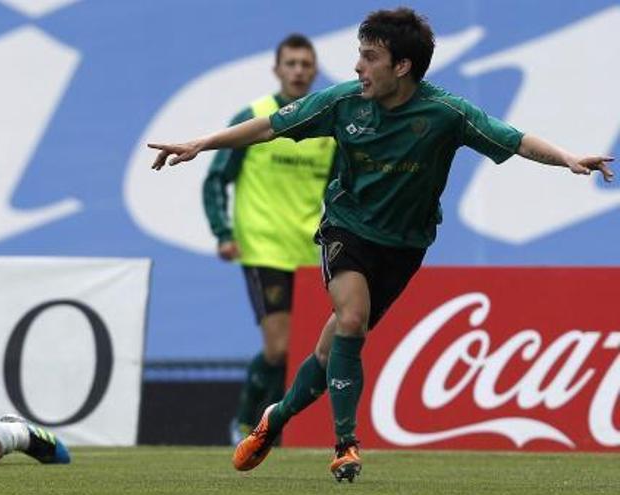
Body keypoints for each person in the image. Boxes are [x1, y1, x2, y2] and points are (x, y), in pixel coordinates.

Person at [149, 7, 614, 482]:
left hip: (405, 246)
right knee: (351, 320)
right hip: (346, 230)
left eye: (369, 57)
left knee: (332, 350)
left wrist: (567, 159)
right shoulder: (344, 102)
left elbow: (512, 139)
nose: (357, 67)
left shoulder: (445, 113)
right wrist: (200, 143)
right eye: (359, 55)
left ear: (402, 66)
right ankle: (345, 444)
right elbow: (270, 125)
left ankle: (277, 417)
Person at [202, 33, 336, 444]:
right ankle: (244, 421)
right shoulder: (255, 116)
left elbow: (339, 189)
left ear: (314, 71)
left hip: (312, 252)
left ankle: (275, 429)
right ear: (277, 70)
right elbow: (216, 178)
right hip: (264, 248)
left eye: (305, 64)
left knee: (309, 349)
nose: (298, 71)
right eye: (290, 64)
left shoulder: (327, 125)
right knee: (278, 347)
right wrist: (223, 232)